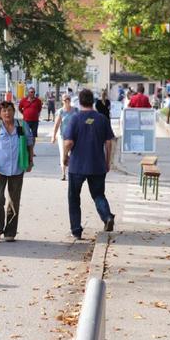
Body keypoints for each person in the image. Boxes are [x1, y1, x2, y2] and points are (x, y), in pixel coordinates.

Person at [63, 89, 116, 240]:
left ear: (79, 101)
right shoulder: (102, 119)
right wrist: (107, 162)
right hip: (97, 164)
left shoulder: (75, 118)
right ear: (93, 101)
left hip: (77, 165)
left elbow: (68, 142)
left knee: (74, 198)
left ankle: (76, 230)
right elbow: (108, 143)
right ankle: (106, 216)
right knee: (98, 194)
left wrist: (65, 157)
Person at [0, 101, 35, 242]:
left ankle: (10, 232)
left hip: (18, 168)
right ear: (0, 114)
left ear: (14, 111)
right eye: (4, 111)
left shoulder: (22, 126)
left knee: (14, 201)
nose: (7, 113)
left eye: (9, 110)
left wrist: (30, 161)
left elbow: (29, 143)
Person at [51, 94, 79, 181]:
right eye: (65, 100)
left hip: (74, 136)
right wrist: (53, 136)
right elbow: (56, 124)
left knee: (73, 154)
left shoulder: (76, 110)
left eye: (68, 100)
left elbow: (79, 122)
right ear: (62, 101)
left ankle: (72, 173)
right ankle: (63, 174)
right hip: (63, 136)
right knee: (63, 154)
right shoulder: (61, 111)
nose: (67, 101)